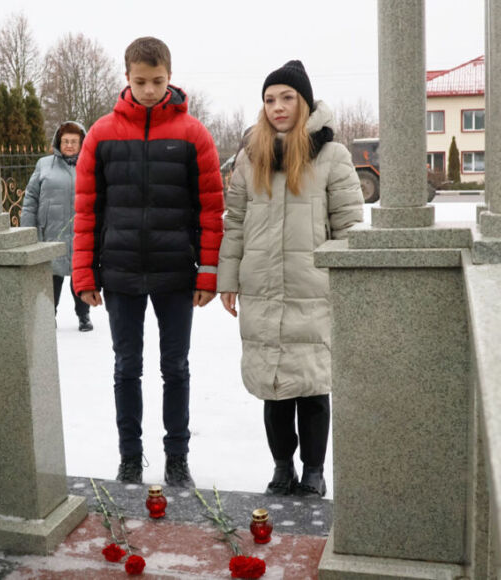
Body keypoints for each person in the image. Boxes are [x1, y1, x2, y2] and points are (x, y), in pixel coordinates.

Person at [72, 37, 224, 487]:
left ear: (170, 77)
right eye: (141, 82)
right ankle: (130, 458)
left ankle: (177, 457)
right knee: (126, 367)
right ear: (127, 78)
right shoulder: (101, 135)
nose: (150, 90)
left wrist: (208, 272)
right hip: (120, 272)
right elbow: (87, 211)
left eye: (158, 81)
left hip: (176, 272)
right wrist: (84, 273)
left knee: (175, 368)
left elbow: (210, 210)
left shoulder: (193, 134)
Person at [216, 60, 363, 497]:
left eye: (287, 98)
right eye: (269, 99)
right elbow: (235, 223)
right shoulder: (250, 158)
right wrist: (228, 279)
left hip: (312, 290)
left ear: (304, 103)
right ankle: (282, 467)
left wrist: (345, 283)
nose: (277, 107)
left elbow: (350, 227)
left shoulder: (332, 156)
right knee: (274, 386)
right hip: (262, 290)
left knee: (313, 386)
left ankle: (314, 471)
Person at [21, 120, 93, 331]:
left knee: (80, 275)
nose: (69, 145)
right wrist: (28, 229)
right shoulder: (44, 164)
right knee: (52, 276)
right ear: (58, 143)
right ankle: (48, 315)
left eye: (74, 141)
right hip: (51, 230)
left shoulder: (90, 165)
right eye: (65, 141)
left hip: (80, 231)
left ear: (81, 143)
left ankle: (84, 315)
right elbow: (31, 197)